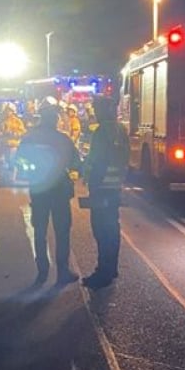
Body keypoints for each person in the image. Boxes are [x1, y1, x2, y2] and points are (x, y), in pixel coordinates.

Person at [15, 99, 81, 285]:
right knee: (62, 231)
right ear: (55, 119)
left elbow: (19, 162)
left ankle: (42, 271)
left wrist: (33, 172)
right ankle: (62, 272)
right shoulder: (63, 139)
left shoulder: (29, 138)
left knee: (40, 230)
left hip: (39, 191)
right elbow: (76, 163)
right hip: (60, 191)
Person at [82, 96, 130, 288]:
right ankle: (112, 268)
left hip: (101, 188)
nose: (95, 112)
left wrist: (88, 176)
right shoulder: (121, 130)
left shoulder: (101, 131)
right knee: (112, 228)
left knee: (101, 230)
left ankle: (103, 273)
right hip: (114, 187)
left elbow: (95, 159)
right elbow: (125, 157)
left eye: (97, 108)